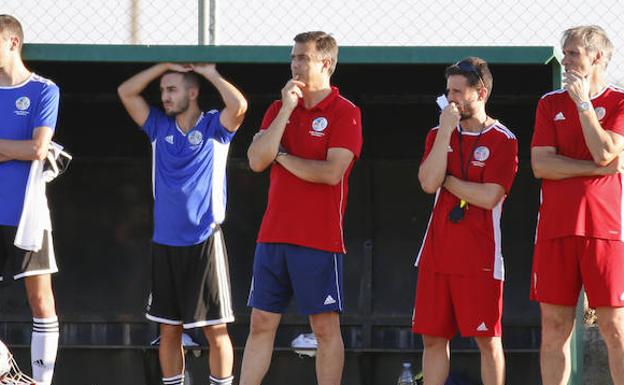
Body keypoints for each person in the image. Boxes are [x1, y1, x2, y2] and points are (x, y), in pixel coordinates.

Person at [241, 31, 363, 385]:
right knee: (261, 323)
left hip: (318, 239)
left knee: (324, 328)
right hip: (273, 235)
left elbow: (330, 172)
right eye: (293, 57)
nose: (294, 64)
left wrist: (281, 156)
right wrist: (288, 110)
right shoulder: (279, 108)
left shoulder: (346, 112)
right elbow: (256, 160)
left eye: (302, 58)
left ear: (325, 63)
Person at [117, 62, 247, 385]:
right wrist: (163, 67)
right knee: (169, 329)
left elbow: (240, 106)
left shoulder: (215, 126)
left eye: (171, 89)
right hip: (165, 243)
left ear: (193, 92)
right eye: (162, 91)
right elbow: (126, 92)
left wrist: (209, 73)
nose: (164, 97)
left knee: (215, 328)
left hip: (204, 240)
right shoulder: (159, 128)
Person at [413, 57, 518, 385]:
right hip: (436, 253)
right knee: (432, 338)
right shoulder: (437, 133)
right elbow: (428, 182)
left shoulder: (504, 139)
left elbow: (489, 197)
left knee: (487, 340)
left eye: (458, 91)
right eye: (448, 91)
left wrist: (450, 182)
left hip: (479, 257)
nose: (451, 98)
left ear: (480, 92)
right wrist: (445, 130)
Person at [530, 26, 624, 385]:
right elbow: (542, 165)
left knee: (615, 327)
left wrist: (584, 103)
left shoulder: (619, 101)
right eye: (564, 52)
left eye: (572, 53)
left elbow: (603, 148)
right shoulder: (549, 103)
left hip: (606, 229)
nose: (565, 60)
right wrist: (595, 168)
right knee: (554, 327)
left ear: (596, 57)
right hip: (555, 228)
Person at [0, 14, 61, 385]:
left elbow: (39, 148)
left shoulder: (44, 90)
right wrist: (15, 150)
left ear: (12, 42)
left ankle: (41, 381)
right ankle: (6, 367)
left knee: (41, 301)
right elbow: (26, 149)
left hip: (26, 214)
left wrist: (24, 150)